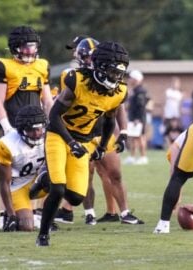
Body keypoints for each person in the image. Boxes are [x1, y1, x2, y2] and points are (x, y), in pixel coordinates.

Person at [36, 41, 130, 247]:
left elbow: (109, 120)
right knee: (59, 188)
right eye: (114, 72)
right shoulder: (76, 80)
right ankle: (43, 235)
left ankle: (44, 180)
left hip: (83, 140)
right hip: (58, 134)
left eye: (119, 73)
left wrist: (103, 146)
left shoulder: (119, 91)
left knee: (76, 197)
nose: (117, 77)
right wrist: (70, 142)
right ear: (102, 67)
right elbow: (53, 116)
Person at [53, 37, 143, 226]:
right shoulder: (72, 76)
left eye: (90, 57)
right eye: (85, 57)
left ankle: (121, 212)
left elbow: (117, 107)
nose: (87, 61)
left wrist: (124, 132)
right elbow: (60, 108)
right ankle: (86, 213)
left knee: (113, 172)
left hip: (102, 131)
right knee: (86, 174)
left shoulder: (112, 80)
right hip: (78, 131)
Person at [0, 25, 53, 229]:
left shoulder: (42, 65)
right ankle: (4, 214)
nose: (30, 51)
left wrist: (52, 122)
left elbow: (47, 99)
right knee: (11, 173)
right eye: (26, 47)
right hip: (15, 127)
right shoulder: (3, 66)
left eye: (33, 47)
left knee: (39, 167)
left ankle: (35, 211)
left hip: (38, 126)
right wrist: (6, 126)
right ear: (16, 47)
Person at [0, 105, 49, 232]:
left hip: (38, 181)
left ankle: (48, 217)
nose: (37, 134)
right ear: (22, 130)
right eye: (32, 130)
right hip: (18, 186)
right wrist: (11, 215)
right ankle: (7, 215)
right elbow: (4, 183)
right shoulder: (7, 145)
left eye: (39, 129)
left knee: (59, 179)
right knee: (26, 226)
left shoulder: (49, 138)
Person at [124, 70, 150, 165]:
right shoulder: (134, 90)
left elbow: (141, 106)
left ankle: (143, 157)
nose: (130, 80)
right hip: (133, 117)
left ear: (136, 79)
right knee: (133, 138)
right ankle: (132, 157)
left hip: (138, 118)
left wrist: (137, 119)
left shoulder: (140, 91)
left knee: (140, 137)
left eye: (131, 78)